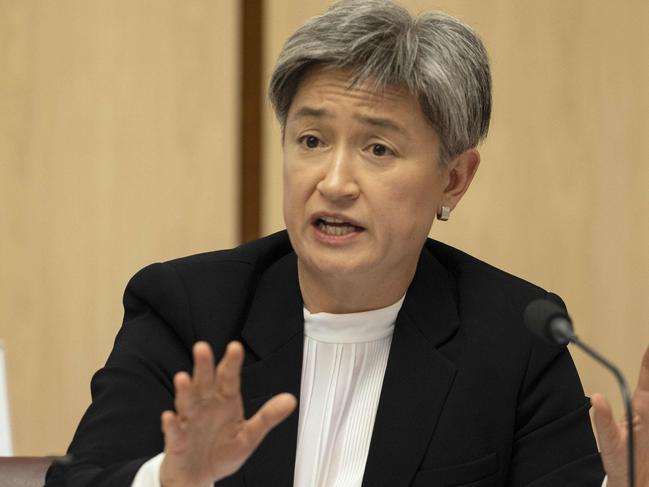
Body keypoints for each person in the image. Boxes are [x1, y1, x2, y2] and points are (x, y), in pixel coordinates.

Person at [45, 1, 649, 486]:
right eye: (310, 140)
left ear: (454, 178)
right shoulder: (191, 309)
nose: (333, 183)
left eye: (378, 149)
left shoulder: (515, 337)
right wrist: (174, 480)